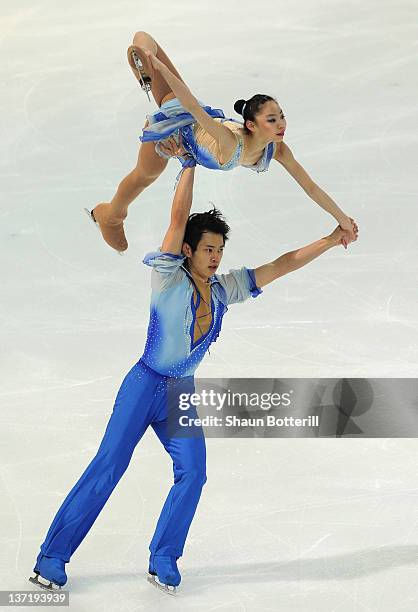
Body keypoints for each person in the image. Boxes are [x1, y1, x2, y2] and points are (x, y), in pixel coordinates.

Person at [30, 140, 357, 595]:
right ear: (188, 250)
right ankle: (52, 556)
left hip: (178, 393)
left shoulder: (223, 291)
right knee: (110, 465)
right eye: (208, 249)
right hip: (143, 385)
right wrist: (187, 165)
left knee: (194, 472)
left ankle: (163, 555)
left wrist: (330, 237)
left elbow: (280, 266)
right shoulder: (168, 275)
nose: (216, 256)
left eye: (220, 249)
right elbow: (176, 219)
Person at [89, 31, 358, 253]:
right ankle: (112, 216)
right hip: (176, 128)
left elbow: (309, 186)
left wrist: (343, 220)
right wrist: (159, 69)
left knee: (145, 39)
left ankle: (145, 63)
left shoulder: (276, 149)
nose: (281, 125)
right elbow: (192, 108)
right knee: (144, 176)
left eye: (281, 117)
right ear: (251, 125)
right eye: (272, 120)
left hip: (196, 118)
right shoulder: (231, 143)